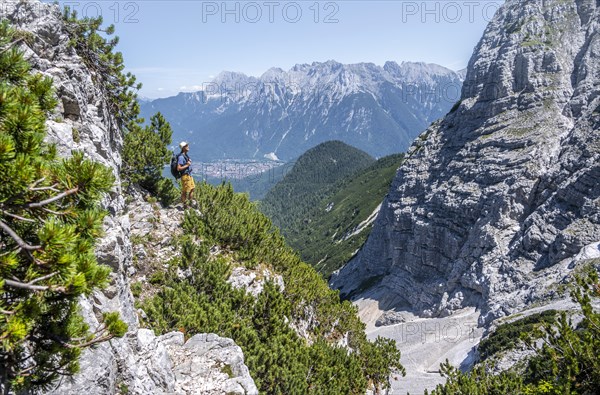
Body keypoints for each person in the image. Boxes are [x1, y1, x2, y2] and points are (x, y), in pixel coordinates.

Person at [177, 141, 195, 207]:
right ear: (183, 148)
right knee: (185, 191)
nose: (188, 146)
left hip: (189, 175)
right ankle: (185, 205)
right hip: (185, 176)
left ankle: (190, 203)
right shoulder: (181, 157)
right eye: (186, 146)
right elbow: (179, 168)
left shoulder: (185, 156)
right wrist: (187, 165)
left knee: (192, 188)